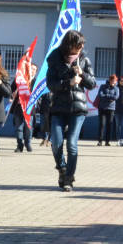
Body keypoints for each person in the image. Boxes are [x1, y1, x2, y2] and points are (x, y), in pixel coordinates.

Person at [46, 30, 96, 192]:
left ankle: (68, 178)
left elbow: (92, 84)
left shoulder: (84, 60)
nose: (81, 47)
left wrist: (83, 75)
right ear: (70, 45)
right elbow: (51, 84)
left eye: (82, 45)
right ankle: (62, 169)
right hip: (59, 107)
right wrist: (69, 82)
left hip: (78, 108)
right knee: (56, 143)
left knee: (72, 144)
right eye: (78, 45)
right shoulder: (54, 59)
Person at [12, 63, 36, 153]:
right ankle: (19, 145)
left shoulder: (36, 82)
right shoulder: (20, 80)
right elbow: (11, 89)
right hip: (19, 107)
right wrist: (13, 93)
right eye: (31, 68)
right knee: (19, 127)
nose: (32, 70)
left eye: (34, 69)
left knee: (28, 127)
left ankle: (28, 143)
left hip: (29, 108)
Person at [95, 74, 120, 146]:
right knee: (102, 124)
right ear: (109, 80)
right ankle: (100, 141)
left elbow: (116, 97)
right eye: (112, 80)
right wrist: (110, 97)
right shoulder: (103, 86)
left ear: (116, 81)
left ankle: (107, 141)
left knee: (109, 125)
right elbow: (100, 94)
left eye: (114, 81)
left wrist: (106, 96)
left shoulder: (116, 88)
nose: (113, 82)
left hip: (111, 108)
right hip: (102, 108)